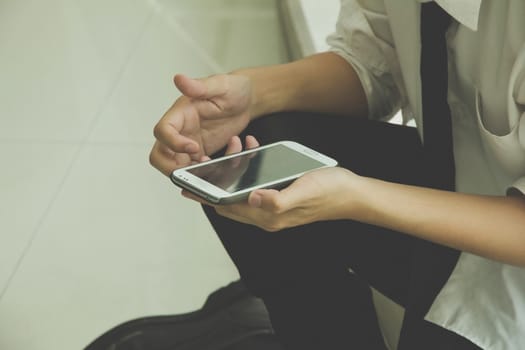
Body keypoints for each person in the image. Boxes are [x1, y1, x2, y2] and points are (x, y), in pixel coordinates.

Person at [150, 0, 525, 349]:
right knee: (248, 143)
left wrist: (358, 198)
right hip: (454, 176)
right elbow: (374, 59)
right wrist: (253, 94)